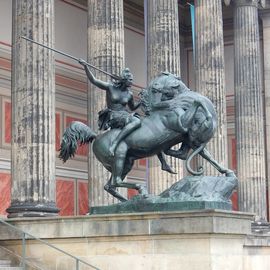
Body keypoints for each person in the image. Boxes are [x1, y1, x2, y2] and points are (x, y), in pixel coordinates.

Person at [78, 59, 141, 156]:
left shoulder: (129, 94)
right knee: (136, 121)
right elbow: (94, 80)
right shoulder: (110, 87)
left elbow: (132, 108)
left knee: (141, 124)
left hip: (124, 115)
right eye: (130, 79)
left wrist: (141, 101)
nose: (132, 81)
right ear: (124, 79)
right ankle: (115, 143)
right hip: (114, 115)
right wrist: (85, 66)